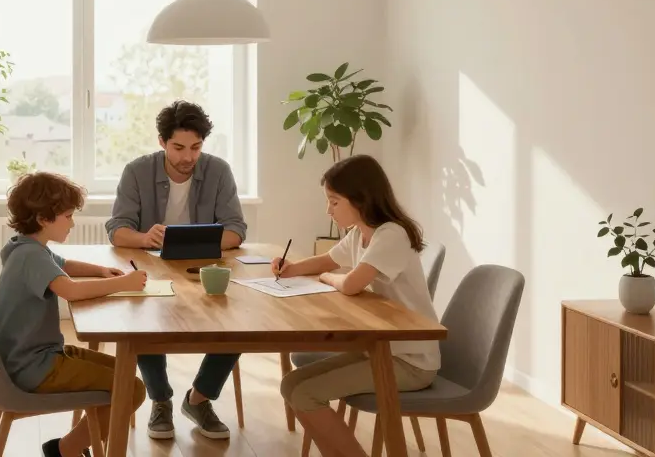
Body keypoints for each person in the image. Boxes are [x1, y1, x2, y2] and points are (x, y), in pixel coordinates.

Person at [275, 154, 440, 457]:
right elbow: (329, 259)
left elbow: (351, 284)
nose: (329, 210)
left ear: (361, 199)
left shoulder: (391, 234)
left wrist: (326, 278)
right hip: (380, 348)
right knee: (291, 386)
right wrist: (292, 268)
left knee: (305, 393)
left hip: (411, 361)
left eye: (334, 201)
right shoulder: (361, 234)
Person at [104, 99, 244, 441]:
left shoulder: (218, 170)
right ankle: (161, 400)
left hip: (203, 269)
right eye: (178, 147)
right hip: (151, 269)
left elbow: (236, 230)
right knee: (145, 318)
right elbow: (117, 229)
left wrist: (200, 239)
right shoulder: (137, 171)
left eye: (196, 147)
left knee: (240, 323)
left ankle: (199, 398)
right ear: (162, 142)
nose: (188, 157)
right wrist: (143, 236)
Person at [0, 171, 148, 457]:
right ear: (43, 218)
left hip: (33, 357)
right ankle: (65, 450)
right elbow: (71, 291)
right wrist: (123, 283)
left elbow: (63, 264)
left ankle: (66, 449)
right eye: (67, 216)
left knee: (126, 376)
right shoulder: (31, 257)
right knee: (132, 390)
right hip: (35, 367)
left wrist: (100, 271)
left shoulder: (23, 247)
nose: (72, 223)